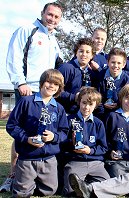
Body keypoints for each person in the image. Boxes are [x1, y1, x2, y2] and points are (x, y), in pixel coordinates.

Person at [1, 2, 63, 192]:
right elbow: (14, 57)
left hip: (48, 93)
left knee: (43, 133)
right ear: (42, 13)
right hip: (28, 90)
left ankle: (36, 176)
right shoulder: (27, 30)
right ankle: (14, 175)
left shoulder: (53, 39)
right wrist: (20, 83)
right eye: (50, 14)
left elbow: (61, 64)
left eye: (56, 17)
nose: (52, 19)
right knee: (23, 134)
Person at [6, 69, 68, 197]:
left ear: (59, 88)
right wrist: (26, 139)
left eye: (56, 84)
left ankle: (28, 182)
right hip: (28, 157)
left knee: (50, 191)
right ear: (41, 83)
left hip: (48, 158)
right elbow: (12, 125)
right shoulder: (26, 102)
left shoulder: (59, 108)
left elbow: (64, 131)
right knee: (21, 194)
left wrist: (54, 137)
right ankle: (18, 181)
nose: (51, 86)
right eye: (48, 82)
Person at [62, 87, 110, 196]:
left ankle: (87, 186)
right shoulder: (69, 120)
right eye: (84, 103)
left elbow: (103, 147)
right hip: (75, 161)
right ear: (79, 102)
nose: (86, 107)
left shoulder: (98, 123)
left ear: (96, 106)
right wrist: (72, 143)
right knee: (70, 191)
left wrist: (90, 150)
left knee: (107, 186)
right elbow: (61, 143)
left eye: (90, 104)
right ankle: (83, 185)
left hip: (95, 163)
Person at [57, 37, 97, 114]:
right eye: (81, 51)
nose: (84, 54)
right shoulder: (66, 68)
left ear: (92, 55)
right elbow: (55, 91)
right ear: (76, 53)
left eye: (88, 52)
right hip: (64, 113)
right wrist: (74, 97)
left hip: (83, 115)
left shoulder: (92, 73)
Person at [94, 47, 129, 119]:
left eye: (119, 63)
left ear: (124, 64)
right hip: (100, 114)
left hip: (119, 115)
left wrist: (118, 105)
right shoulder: (100, 76)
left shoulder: (127, 80)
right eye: (113, 62)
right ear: (108, 62)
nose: (116, 66)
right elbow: (95, 97)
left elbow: (128, 101)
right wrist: (102, 106)